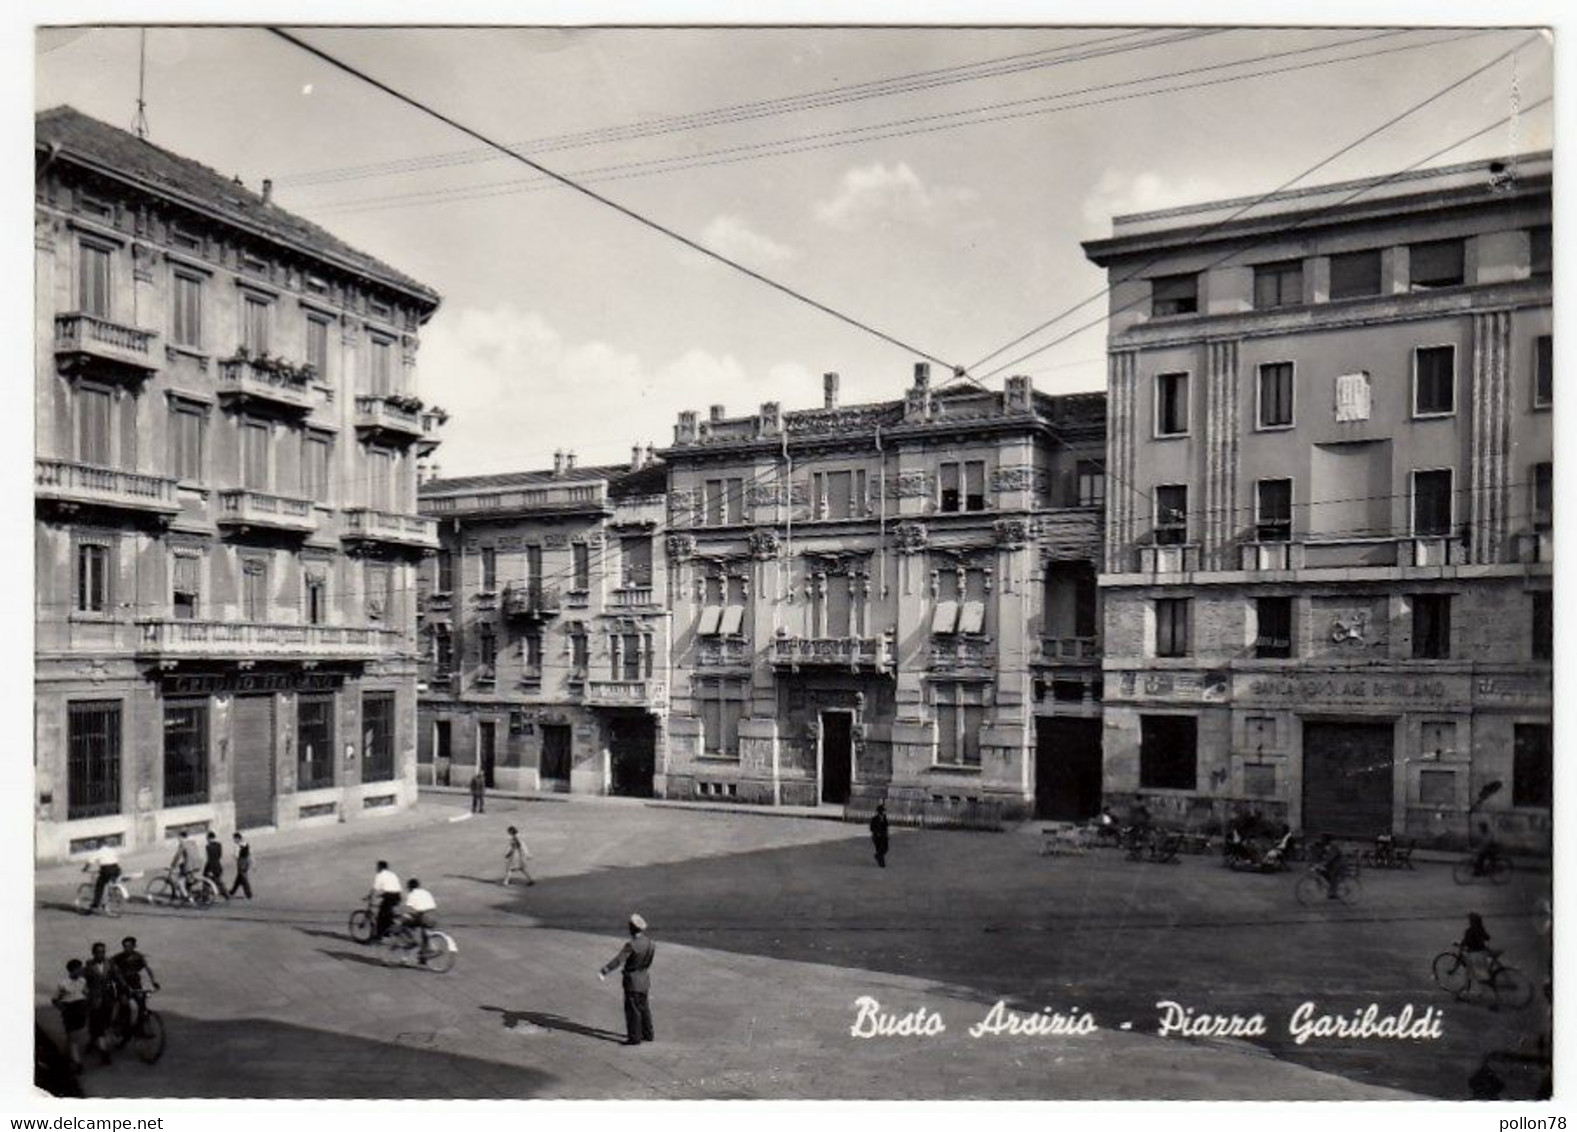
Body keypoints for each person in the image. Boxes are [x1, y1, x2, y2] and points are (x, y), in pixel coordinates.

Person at [599, 913, 657, 1046]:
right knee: (644, 1008)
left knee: (632, 1010)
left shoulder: (631, 945)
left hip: (632, 981)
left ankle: (634, 1037)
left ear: (632, 928)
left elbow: (619, 960)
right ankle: (648, 1033)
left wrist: (605, 970)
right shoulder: (650, 943)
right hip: (644, 979)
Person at [108, 937, 159, 1035]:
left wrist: (153, 982)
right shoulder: (119, 957)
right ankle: (120, 1025)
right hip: (122, 985)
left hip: (135, 984)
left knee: (141, 1005)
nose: (127, 948)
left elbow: (147, 969)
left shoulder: (138, 956)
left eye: (129, 946)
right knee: (125, 1004)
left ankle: (140, 1027)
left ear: (134, 946)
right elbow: (112, 967)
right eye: (125, 946)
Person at [81, 943, 119, 1064]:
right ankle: (104, 1053)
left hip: (108, 999)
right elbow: (83, 980)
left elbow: (118, 977)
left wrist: (125, 988)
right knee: (98, 1025)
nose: (101, 954)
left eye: (103, 951)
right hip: (94, 1000)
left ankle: (93, 1042)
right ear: (93, 953)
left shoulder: (110, 964)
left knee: (105, 1024)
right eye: (98, 952)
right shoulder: (88, 965)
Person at [51, 960, 88, 1071]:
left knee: (73, 1037)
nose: (82, 970)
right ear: (73, 970)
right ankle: (77, 1063)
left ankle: (63, 1055)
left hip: (81, 1011)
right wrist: (63, 1009)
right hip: (69, 1011)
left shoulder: (82, 980)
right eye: (79, 968)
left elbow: (84, 992)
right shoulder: (62, 984)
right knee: (73, 1037)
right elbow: (54, 999)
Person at [400, 878, 438, 962]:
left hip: (423, 916)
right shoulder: (426, 892)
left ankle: (412, 941)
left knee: (404, 925)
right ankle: (423, 957)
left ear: (409, 887)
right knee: (424, 933)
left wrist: (404, 916)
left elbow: (409, 909)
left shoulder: (412, 894)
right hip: (433, 915)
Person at [1460, 911, 1499, 989]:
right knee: (1478, 973)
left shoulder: (1469, 931)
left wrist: (1459, 944)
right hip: (1483, 952)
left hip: (1474, 955)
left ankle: (1465, 994)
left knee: (1469, 974)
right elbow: (1487, 937)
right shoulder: (1481, 928)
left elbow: (1465, 942)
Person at [369, 861, 402, 941]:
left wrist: (370, 896)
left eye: (377, 867)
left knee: (381, 917)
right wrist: (381, 895)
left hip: (389, 896)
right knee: (387, 914)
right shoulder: (392, 874)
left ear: (380, 867)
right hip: (397, 895)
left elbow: (375, 888)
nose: (376, 868)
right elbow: (392, 886)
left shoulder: (380, 875)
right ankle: (388, 931)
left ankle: (380, 937)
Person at [86, 843, 121, 912]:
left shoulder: (99, 852)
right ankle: (111, 893)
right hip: (116, 869)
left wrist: (85, 868)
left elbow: (90, 861)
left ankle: (96, 903)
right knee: (110, 881)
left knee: (99, 885)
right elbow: (117, 859)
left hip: (106, 870)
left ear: (99, 846)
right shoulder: (112, 850)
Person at [1313, 834, 1345, 900]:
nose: (1322, 841)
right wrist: (1316, 863)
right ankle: (1332, 888)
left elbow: (1331, 857)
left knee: (1333, 875)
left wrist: (1323, 863)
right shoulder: (1324, 847)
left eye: (1323, 840)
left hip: (1339, 863)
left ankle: (1334, 892)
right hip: (1331, 863)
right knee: (1323, 872)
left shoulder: (1333, 846)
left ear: (1327, 841)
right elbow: (1320, 855)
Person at [169, 831, 196, 900]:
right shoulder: (193, 842)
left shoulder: (182, 844)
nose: (178, 839)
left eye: (178, 838)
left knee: (180, 881)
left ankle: (187, 897)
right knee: (184, 872)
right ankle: (185, 891)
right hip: (196, 863)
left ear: (181, 837)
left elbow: (178, 856)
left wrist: (173, 864)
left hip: (189, 865)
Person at [203, 831, 228, 900]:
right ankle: (226, 894)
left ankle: (205, 897)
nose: (207, 840)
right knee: (219, 881)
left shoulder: (208, 847)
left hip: (212, 867)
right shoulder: (219, 845)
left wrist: (209, 870)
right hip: (218, 865)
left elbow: (210, 859)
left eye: (207, 838)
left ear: (209, 838)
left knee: (206, 881)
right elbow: (220, 855)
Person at [229, 832, 253, 899]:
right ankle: (232, 891)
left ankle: (249, 894)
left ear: (238, 838)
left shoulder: (238, 846)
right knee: (239, 879)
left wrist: (234, 856)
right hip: (246, 863)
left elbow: (236, 856)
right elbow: (249, 854)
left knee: (244, 879)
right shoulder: (246, 844)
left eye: (234, 839)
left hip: (241, 863)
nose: (234, 840)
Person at [869, 803, 890, 868]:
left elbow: (886, 827)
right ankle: (882, 864)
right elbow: (871, 828)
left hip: (884, 836)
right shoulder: (874, 819)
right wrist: (877, 833)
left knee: (885, 848)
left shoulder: (885, 818)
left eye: (884, 811)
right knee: (879, 849)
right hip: (877, 837)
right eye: (882, 811)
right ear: (879, 811)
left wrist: (887, 835)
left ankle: (877, 856)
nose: (883, 812)